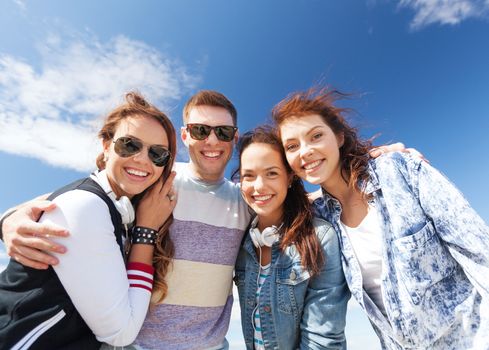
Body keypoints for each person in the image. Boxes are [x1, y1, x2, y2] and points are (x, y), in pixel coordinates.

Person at [0, 89, 410, 349]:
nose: (212, 141)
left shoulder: (246, 199)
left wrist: (363, 160)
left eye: (223, 133)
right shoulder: (155, 179)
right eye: (201, 130)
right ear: (185, 135)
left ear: (234, 138)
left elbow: (296, 194)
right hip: (135, 345)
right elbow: (82, 198)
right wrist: (10, 218)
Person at [271, 87, 489, 349]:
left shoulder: (401, 171)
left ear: (339, 137)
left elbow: (479, 253)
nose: (305, 151)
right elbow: (253, 195)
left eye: (316, 136)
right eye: (292, 146)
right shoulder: (318, 216)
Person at [0, 92, 177, 349]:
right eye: (130, 145)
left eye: (157, 154)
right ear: (106, 145)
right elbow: (121, 333)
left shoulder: (115, 205)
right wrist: (146, 232)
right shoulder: (87, 205)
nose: (142, 159)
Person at [233, 126, 349, 349]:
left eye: (272, 173)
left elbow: (323, 340)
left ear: (289, 178)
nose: (259, 186)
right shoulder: (241, 241)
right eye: (249, 175)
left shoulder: (320, 237)